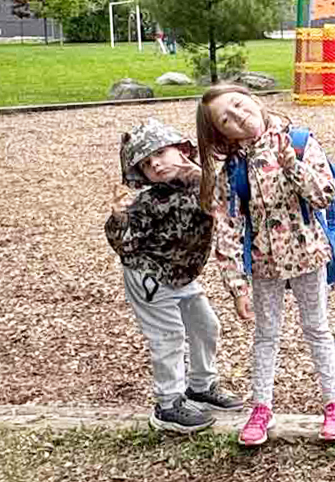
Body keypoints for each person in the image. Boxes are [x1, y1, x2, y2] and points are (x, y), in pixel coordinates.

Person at [196, 84, 335, 446]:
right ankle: (262, 407)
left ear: (252, 98)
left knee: (317, 329)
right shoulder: (232, 170)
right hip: (264, 264)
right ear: (221, 135)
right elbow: (227, 229)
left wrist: (292, 164)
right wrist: (237, 287)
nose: (237, 116)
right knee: (265, 335)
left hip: (308, 255)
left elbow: (324, 195)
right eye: (225, 119)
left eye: (237, 104)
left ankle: (334, 405)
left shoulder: (299, 142)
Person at [107, 119, 244, 434]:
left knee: (205, 325)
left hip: (181, 274)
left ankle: (201, 386)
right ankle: (168, 405)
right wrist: (119, 217)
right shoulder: (149, 201)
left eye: (159, 153)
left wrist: (198, 170)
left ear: (181, 149)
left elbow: (221, 195)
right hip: (149, 275)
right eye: (145, 164)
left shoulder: (201, 180)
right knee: (168, 336)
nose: (154, 164)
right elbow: (123, 243)